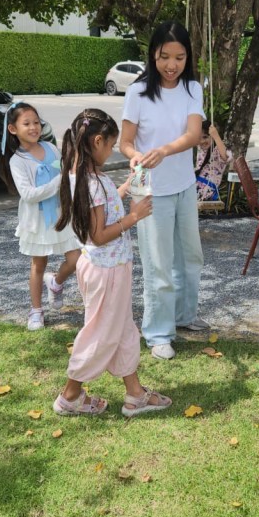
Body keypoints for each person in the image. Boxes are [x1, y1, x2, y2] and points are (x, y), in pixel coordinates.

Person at [53, 109, 171, 417]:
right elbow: (99, 235)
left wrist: (128, 185)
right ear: (97, 141)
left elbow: (104, 207)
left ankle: (135, 394)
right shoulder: (93, 182)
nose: (112, 151)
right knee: (101, 333)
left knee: (121, 329)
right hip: (107, 271)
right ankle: (70, 396)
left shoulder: (84, 176)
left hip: (105, 268)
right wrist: (134, 217)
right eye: (110, 145)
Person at [120, 21, 208, 361]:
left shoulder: (192, 89)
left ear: (188, 57)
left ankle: (184, 316)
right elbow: (126, 143)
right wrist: (135, 155)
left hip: (184, 185)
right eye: (164, 57)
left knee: (190, 257)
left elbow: (193, 135)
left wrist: (164, 151)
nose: (172, 65)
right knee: (158, 263)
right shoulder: (138, 92)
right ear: (153, 55)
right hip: (149, 192)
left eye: (179, 57)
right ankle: (158, 332)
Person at [0, 102, 80, 331]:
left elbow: (67, 173)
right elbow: (28, 194)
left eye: (36, 122)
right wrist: (59, 181)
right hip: (37, 220)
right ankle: (36, 310)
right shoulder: (17, 161)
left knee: (76, 259)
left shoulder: (51, 148)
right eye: (27, 123)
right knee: (38, 264)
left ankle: (56, 282)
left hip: (62, 214)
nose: (33, 127)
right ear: (13, 129)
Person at [195, 120, 232, 202]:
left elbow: (226, 157)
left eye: (205, 137)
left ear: (212, 136)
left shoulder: (217, 150)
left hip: (206, 191)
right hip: (196, 186)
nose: (202, 141)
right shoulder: (200, 148)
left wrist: (216, 136)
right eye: (199, 138)